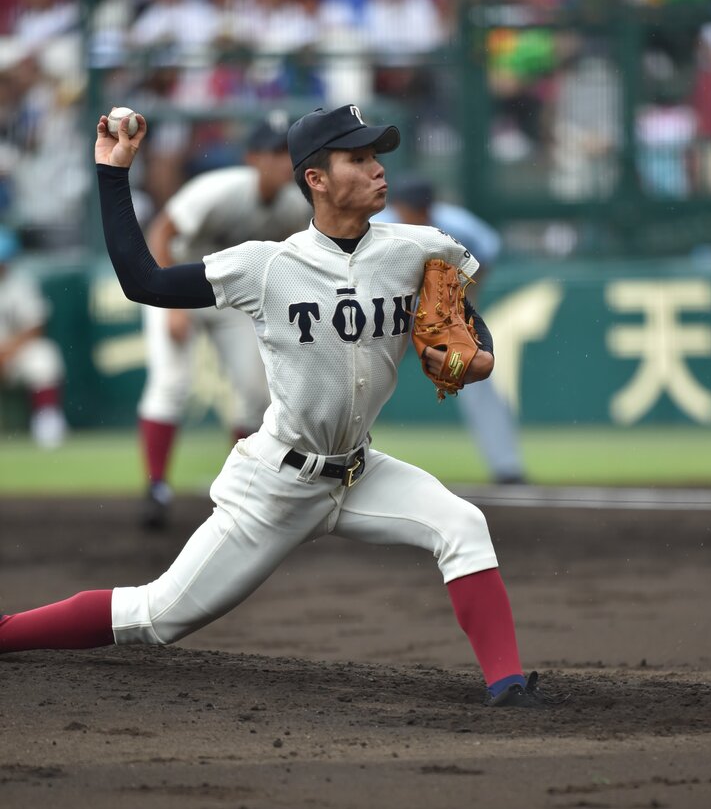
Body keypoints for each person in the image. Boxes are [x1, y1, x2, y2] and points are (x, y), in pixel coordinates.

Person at [0, 103, 547, 709]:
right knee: (154, 616)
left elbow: (471, 334)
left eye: (377, 157)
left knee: (462, 524)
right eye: (358, 159)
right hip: (277, 485)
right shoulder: (268, 266)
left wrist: (480, 353)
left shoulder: (421, 248)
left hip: (361, 472)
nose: (378, 171)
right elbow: (142, 281)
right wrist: (112, 172)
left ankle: (509, 686)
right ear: (315, 179)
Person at [137, 115, 311, 529]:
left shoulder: (293, 204)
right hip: (176, 283)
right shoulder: (220, 190)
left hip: (230, 298)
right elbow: (161, 233)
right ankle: (156, 487)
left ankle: (247, 487)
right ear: (253, 158)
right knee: (171, 384)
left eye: (286, 154)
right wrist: (170, 307)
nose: (282, 162)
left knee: (255, 393)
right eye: (273, 153)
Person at [378, 173, 526, 484]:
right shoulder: (382, 223)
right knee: (363, 374)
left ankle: (507, 468)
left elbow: (487, 251)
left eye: (420, 207)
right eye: (408, 206)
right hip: (393, 312)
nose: (413, 213)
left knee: (477, 378)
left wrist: (463, 299)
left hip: (444, 317)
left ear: (431, 207)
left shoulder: (456, 224)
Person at [0, 225, 68, 447]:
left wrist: (8, 352)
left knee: (43, 356)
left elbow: (35, 326)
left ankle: (47, 422)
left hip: (12, 353)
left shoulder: (19, 284)